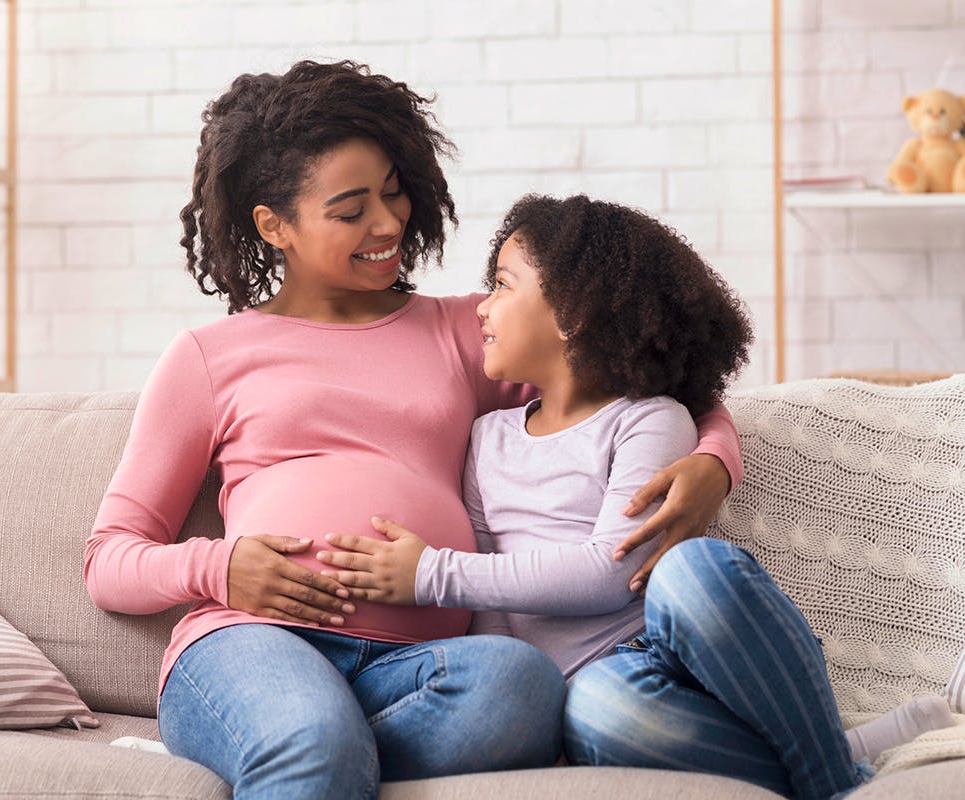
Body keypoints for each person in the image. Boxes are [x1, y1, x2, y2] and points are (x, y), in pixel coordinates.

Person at [84, 61, 744, 800]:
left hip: (424, 667)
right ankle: (302, 746)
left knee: (523, 686)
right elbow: (110, 558)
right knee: (312, 739)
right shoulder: (207, 357)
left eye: (394, 190)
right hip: (253, 642)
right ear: (275, 226)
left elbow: (646, 363)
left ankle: (311, 755)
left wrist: (714, 461)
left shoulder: (469, 331)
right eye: (350, 208)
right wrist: (218, 568)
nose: (389, 222)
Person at [315, 193, 881, 800]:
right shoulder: (488, 437)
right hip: (597, 696)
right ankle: (823, 758)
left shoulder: (648, 421)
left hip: (658, 656)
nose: (483, 307)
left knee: (693, 570)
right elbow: (490, 613)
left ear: (571, 314)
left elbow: (611, 570)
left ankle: (835, 783)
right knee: (602, 713)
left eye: (503, 286)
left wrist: (432, 573)